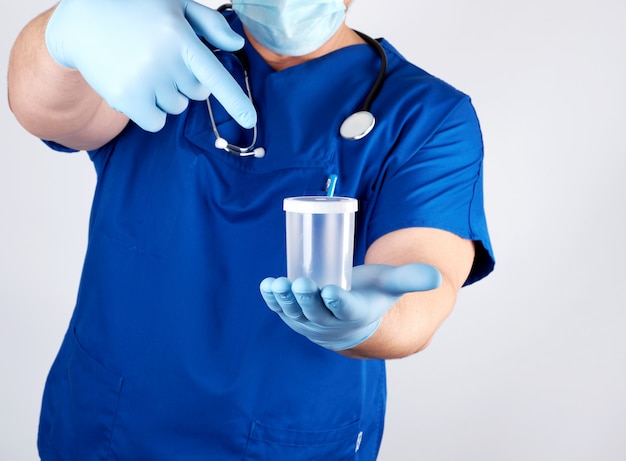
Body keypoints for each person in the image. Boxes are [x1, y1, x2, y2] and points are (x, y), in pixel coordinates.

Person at [7, 0, 495, 459]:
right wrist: (63, 29)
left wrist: (373, 320)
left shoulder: (426, 115)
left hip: (284, 438)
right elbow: (43, 110)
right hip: (111, 426)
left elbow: (423, 278)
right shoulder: (159, 47)